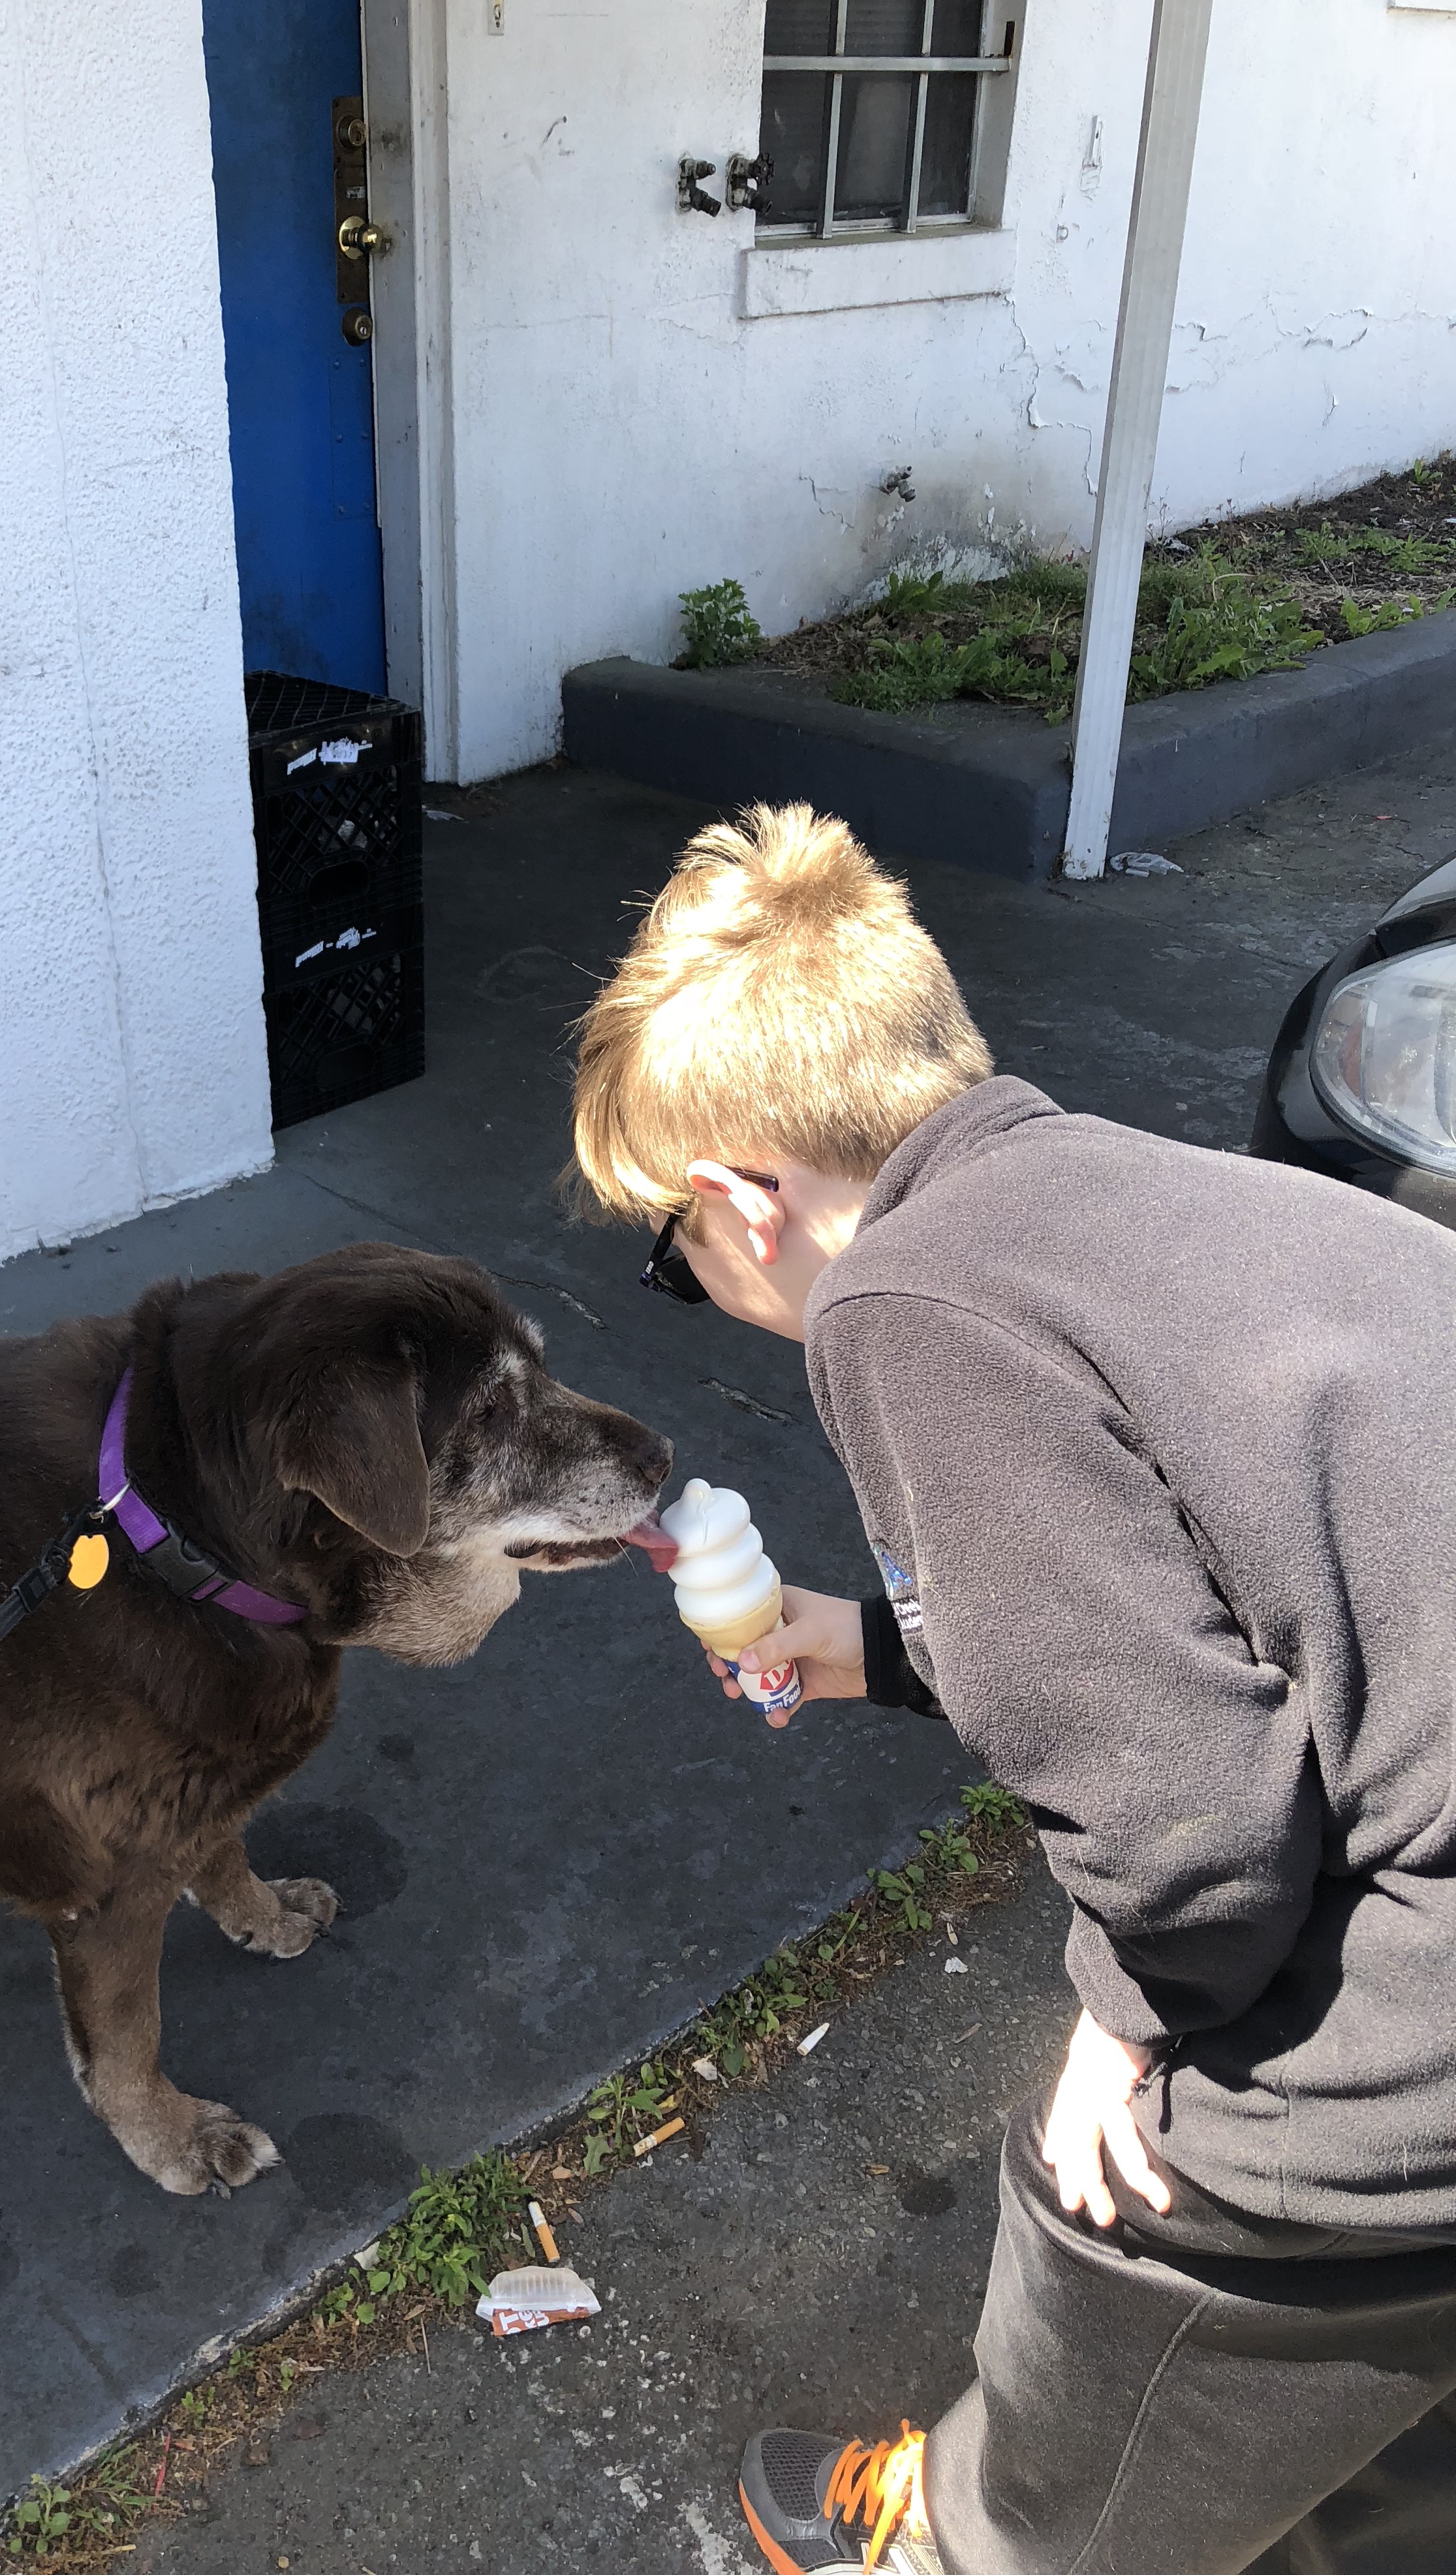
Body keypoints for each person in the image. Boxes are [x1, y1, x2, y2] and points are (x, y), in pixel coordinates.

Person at [567, 802, 1456, 2575]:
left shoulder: (903, 1304)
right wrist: (869, 1643)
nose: (695, 1283)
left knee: (1121, 2211)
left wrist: (1125, 2024)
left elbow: (1191, 1827)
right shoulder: (1127, 1188)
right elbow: (1228, 1602)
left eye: (671, 1256)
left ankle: (979, 2540)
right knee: (1382, 2418)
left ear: (739, 1201)